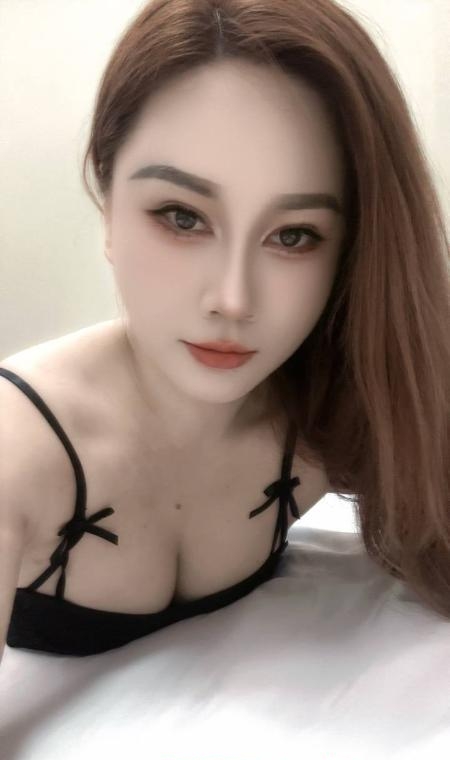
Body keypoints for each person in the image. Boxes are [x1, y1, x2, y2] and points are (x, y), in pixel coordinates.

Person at [1, 0, 449, 660]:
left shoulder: (338, 407)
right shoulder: (16, 454)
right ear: (107, 202)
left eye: (294, 236)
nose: (233, 300)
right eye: (182, 217)